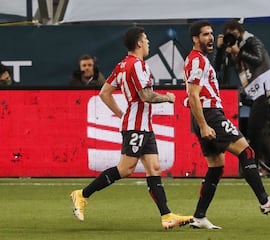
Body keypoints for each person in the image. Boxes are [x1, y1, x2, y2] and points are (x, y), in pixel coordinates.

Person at [70, 27, 192, 230]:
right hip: (137, 127)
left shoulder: (122, 66)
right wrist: (168, 98)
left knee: (153, 168)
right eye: (146, 39)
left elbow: (104, 93)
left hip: (142, 126)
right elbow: (146, 96)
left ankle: (167, 216)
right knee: (125, 169)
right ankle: (82, 194)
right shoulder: (138, 66)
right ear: (139, 43)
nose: (148, 43)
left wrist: (121, 114)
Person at [183, 20, 270, 229]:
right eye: (205, 34)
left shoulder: (198, 60)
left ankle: (199, 216)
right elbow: (193, 95)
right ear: (195, 39)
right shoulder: (197, 61)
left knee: (216, 167)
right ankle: (265, 201)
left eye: (211, 33)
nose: (210, 37)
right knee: (247, 152)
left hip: (204, 116)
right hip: (210, 115)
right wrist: (204, 124)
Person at [214, 19, 270, 177]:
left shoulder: (251, 41)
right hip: (255, 92)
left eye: (232, 35)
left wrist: (237, 51)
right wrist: (220, 50)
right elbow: (217, 69)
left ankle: (257, 167)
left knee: (255, 130)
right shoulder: (231, 50)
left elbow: (258, 59)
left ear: (238, 31)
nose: (231, 40)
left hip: (266, 89)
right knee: (259, 132)